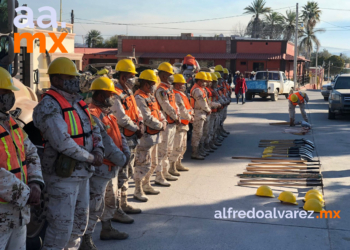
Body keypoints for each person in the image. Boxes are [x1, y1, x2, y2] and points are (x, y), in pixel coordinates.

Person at [33, 57, 104, 250]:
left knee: (78, 226)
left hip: (83, 174)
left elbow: (94, 128)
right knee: (60, 230)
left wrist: (98, 149)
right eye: (70, 77)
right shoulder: (49, 106)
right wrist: (91, 157)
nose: (76, 80)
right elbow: (62, 142)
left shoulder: (78, 102)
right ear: (56, 80)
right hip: (62, 177)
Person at [80, 77, 129, 250]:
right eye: (110, 95)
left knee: (109, 201)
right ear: (101, 96)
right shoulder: (93, 114)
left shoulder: (106, 112)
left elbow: (118, 134)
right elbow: (105, 142)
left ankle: (106, 229)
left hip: (112, 166)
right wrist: (122, 158)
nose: (113, 98)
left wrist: (126, 151)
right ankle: (86, 238)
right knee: (95, 205)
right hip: (101, 168)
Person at [0, 67, 44, 250]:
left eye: (10, 92)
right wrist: (26, 194)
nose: (10, 96)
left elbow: (31, 152)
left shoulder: (10, 122)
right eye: (4, 92)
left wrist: (35, 182)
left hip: (18, 213)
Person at [110, 59, 143, 223]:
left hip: (132, 137)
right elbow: (121, 118)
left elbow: (136, 111)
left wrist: (140, 122)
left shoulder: (128, 92)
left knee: (128, 172)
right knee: (121, 175)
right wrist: (137, 128)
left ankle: (124, 203)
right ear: (122, 78)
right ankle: (116, 209)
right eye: (131, 77)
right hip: (122, 138)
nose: (133, 80)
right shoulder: (115, 94)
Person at [134, 69, 166, 201]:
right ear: (146, 84)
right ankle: (138, 189)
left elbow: (158, 112)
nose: (154, 86)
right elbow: (146, 118)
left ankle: (146, 185)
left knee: (153, 162)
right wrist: (160, 125)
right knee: (142, 164)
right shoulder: (139, 97)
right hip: (145, 137)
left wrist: (163, 120)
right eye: (153, 83)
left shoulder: (149, 96)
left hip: (154, 136)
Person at [155, 62, 180, 185]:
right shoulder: (161, 89)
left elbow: (174, 105)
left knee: (168, 151)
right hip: (166, 123)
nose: (171, 77)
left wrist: (177, 115)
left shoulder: (168, 89)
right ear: (164, 75)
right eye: (170, 75)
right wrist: (176, 116)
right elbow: (166, 106)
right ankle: (159, 176)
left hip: (172, 123)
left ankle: (165, 172)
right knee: (162, 152)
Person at [169, 74, 194, 173]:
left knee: (183, 146)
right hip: (180, 124)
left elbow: (187, 107)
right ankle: (172, 166)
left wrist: (191, 113)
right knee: (177, 146)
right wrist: (190, 117)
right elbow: (182, 109)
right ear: (177, 85)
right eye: (182, 84)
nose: (184, 85)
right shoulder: (176, 94)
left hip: (185, 123)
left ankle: (178, 163)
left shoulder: (181, 94)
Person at [190, 72, 211, 160]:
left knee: (201, 133)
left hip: (201, 113)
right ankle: (195, 152)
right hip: (198, 113)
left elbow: (206, 101)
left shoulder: (201, 89)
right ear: (199, 81)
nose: (205, 83)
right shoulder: (197, 90)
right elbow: (202, 103)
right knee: (197, 134)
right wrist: (208, 109)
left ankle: (200, 150)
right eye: (203, 81)